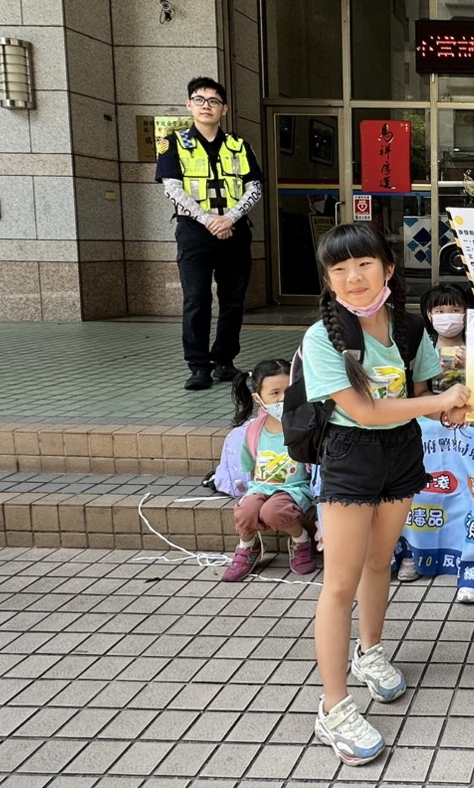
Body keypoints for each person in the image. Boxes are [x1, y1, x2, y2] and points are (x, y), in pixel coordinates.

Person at [301, 222, 471, 766]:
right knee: (339, 584)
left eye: (364, 264)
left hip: (402, 451)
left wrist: (455, 407)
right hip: (350, 456)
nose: (353, 277)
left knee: (380, 562)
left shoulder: (408, 326)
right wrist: (436, 405)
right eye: (339, 269)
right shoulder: (322, 337)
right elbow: (365, 411)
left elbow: (421, 395)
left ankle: (370, 652)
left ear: (388, 269)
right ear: (329, 279)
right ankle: (333, 708)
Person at [155, 77, 263, 391]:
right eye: (200, 100)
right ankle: (198, 366)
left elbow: (254, 187)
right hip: (194, 232)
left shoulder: (239, 145)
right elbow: (171, 188)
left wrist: (229, 218)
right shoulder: (174, 143)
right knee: (197, 299)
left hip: (235, 230)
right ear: (189, 105)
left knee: (233, 300)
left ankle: (224, 361)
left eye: (214, 101)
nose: (206, 106)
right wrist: (207, 220)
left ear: (224, 109)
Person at [220, 359, 315, 582]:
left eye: (288, 391)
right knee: (246, 510)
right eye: (274, 393)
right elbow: (249, 467)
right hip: (261, 486)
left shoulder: (306, 425)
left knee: (274, 511)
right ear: (258, 398)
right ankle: (247, 546)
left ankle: (301, 540)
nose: (282, 398)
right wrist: (253, 493)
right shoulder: (254, 429)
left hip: (295, 488)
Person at [420, 284, 472, 393]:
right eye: (440, 311)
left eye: (455, 311)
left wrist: (472, 364)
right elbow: (418, 389)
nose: (447, 316)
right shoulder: (423, 346)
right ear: (429, 315)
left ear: (466, 313)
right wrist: (431, 371)